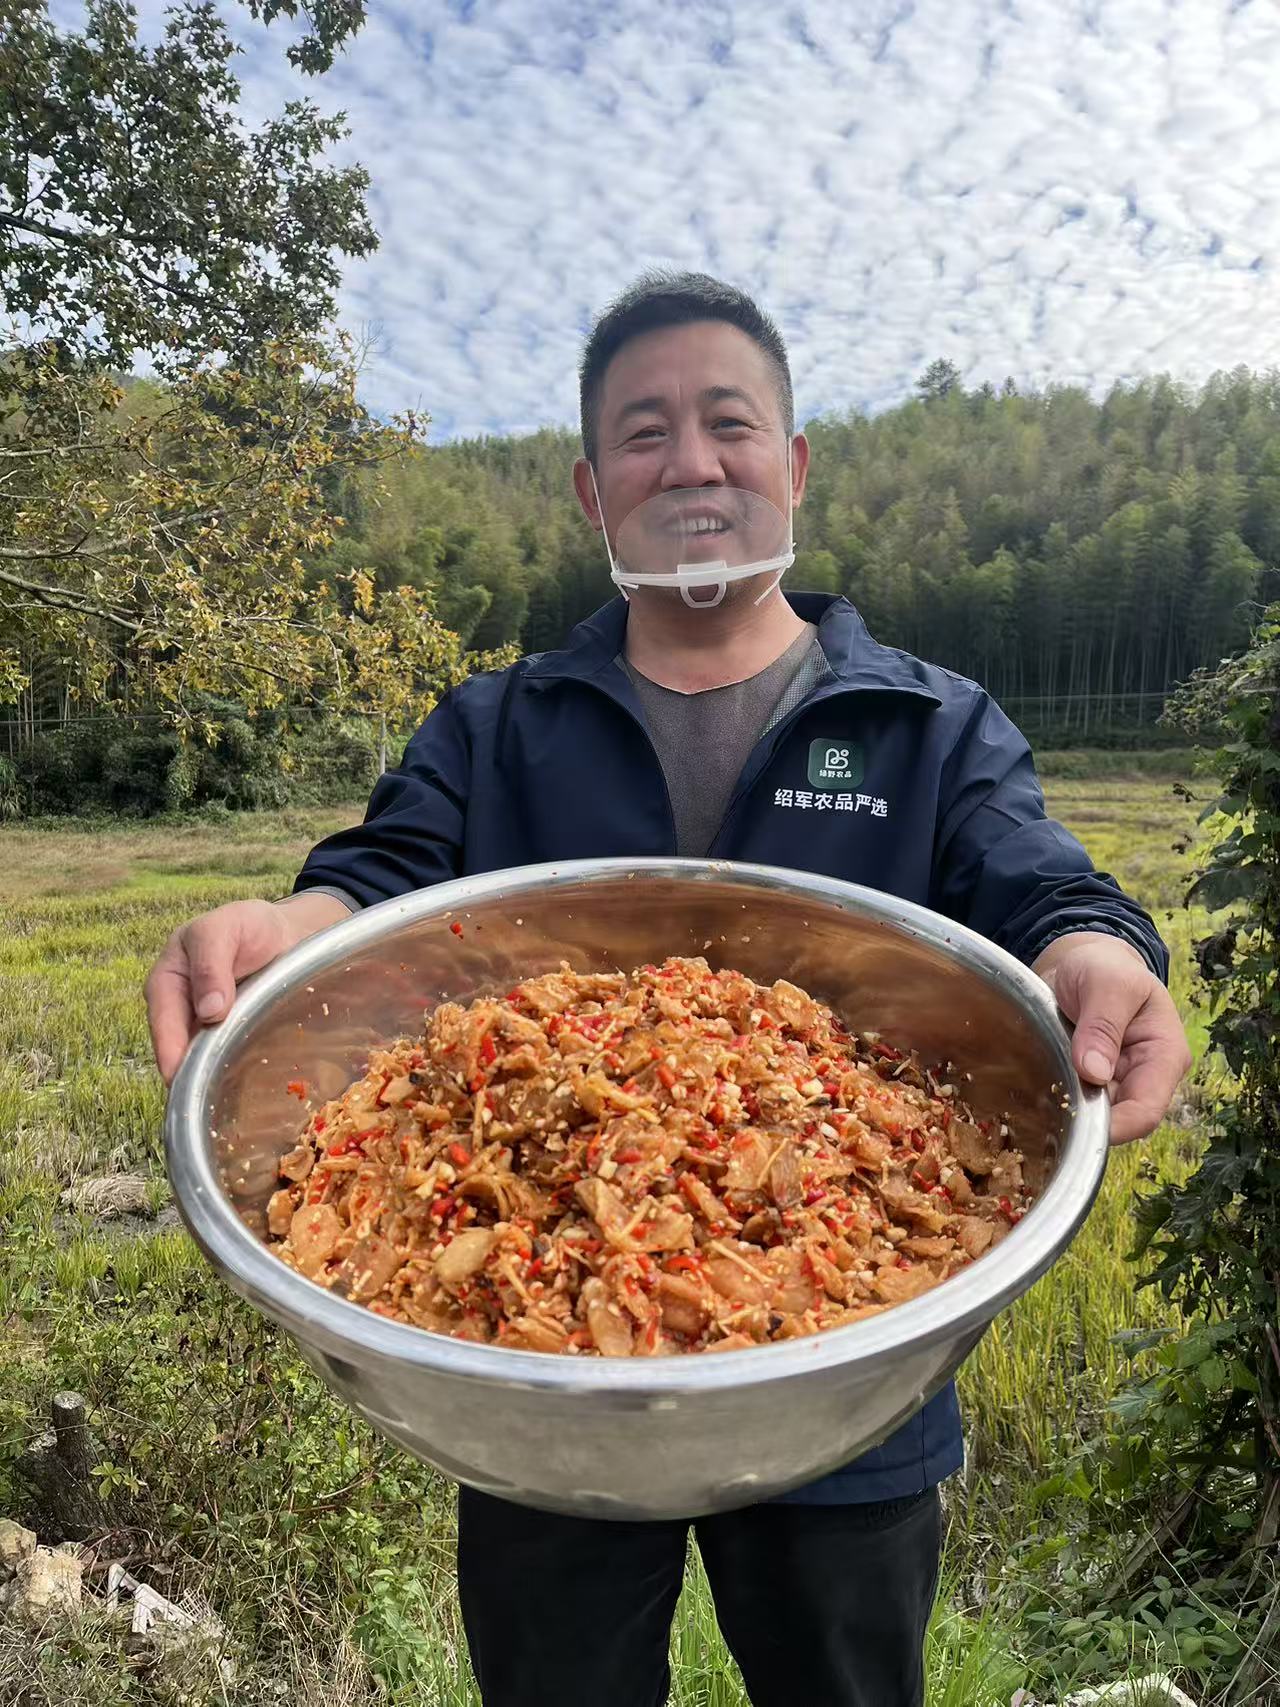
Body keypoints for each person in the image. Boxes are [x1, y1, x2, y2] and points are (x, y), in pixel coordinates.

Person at [145, 271, 1192, 1707]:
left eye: (728, 423)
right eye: (644, 433)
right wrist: (289, 921)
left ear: (794, 461)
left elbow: (1039, 881)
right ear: (590, 489)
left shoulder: (929, 723)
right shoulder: (498, 722)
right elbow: (381, 877)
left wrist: (1098, 947)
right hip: (537, 1405)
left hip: (851, 1386)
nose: (691, 463)